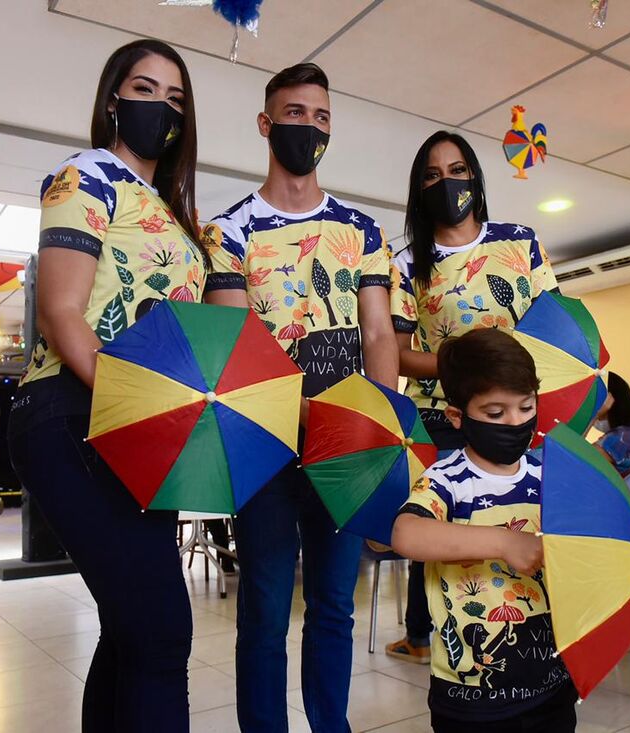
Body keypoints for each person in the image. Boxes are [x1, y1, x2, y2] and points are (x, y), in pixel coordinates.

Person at [7, 39, 206, 731]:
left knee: (129, 630)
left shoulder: (177, 217)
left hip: (147, 430)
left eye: (175, 99)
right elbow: (64, 312)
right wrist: (135, 401)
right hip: (76, 407)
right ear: (112, 99)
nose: (160, 108)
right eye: (144, 90)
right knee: (159, 630)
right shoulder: (85, 173)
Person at [201, 62, 398, 732]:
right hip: (264, 448)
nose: (308, 128)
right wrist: (311, 411)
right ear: (265, 124)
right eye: (294, 114)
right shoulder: (229, 232)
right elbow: (233, 345)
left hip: (345, 447)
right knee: (261, 607)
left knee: (334, 604)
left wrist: (376, 425)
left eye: (320, 118)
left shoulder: (363, 230)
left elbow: (377, 333)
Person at [392, 328, 630, 732]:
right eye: (495, 413)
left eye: (526, 407)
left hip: (552, 683)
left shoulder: (554, 474)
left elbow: (605, 540)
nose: (515, 422)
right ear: (457, 416)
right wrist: (503, 542)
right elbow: (407, 534)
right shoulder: (447, 480)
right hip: (471, 696)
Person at [386, 130, 560, 664]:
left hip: (522, 406)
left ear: (476, 178)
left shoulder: (519, 241)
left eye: (458, 170)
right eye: (433, 175)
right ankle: (435, 636)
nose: (448, 182)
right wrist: (466, 368)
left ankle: (542, 629)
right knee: (442, 523)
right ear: (419, 189)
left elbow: (555, 326)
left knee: (533, 513)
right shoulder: (405, 263)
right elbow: (396, 354)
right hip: (442, 414)